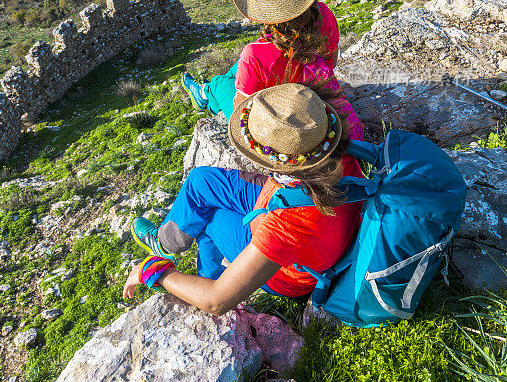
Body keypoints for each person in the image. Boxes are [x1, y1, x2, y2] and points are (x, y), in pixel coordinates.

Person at [123, 83, 364, 314]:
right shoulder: (328, 145)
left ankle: (205, 278)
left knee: (209, 218)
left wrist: (151, 272)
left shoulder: (286, 227)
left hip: (285, 273)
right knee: (201, 181)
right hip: (299, 191)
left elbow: (216, 301)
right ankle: (165, 243)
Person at [181, 0, 363, 140]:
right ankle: (206, 91)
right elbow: (331, 61)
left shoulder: (255, 54)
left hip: (281, 123)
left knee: (220, 83)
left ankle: (206, 93)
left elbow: (243, 114)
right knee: (239, 66)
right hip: (317, 100)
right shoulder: (326, 16)